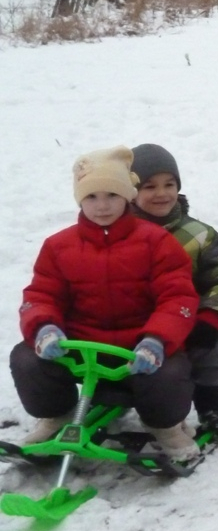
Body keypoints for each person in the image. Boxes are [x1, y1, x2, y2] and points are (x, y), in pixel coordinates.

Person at [10, 146, 201, 461]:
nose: (102, 206)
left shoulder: (156, 241)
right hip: (78, 346)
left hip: (139, 346)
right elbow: (42, 294)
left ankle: (165, 426)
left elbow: (177, 296)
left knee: (169, 372)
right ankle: (56, 414)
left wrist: (157, 340)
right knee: (27, 358)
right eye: (91, 197)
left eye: (112, 195)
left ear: (127, 196)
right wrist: (44, 327)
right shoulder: (58, 246)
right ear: (79, 200)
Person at [130, 143, 218, 433]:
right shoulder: (118, 233)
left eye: (169, 184)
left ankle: (209, 398)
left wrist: (211, 317)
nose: (162, 193)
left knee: (213, 344)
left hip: (184, 321)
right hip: (132, 323)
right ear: (130, 190)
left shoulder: (198, 235)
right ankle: (108, 397)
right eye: (149, 186)